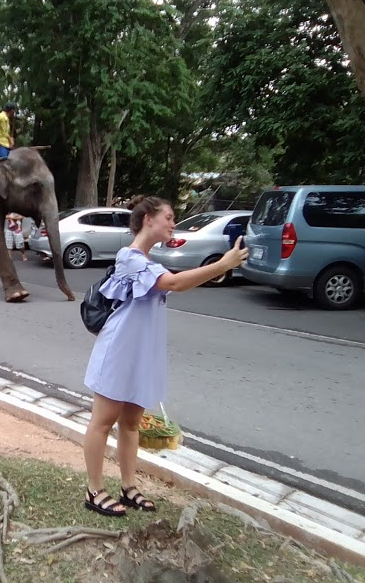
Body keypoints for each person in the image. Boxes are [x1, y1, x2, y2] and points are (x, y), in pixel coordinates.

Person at [81, 195, 248, 517]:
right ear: (148, 220)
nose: (174, 223)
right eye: (169, 217)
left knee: (131, 424)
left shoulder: (148, 262)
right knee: (102, 423)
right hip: (118, 352)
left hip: (141, 354)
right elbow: (174, 283)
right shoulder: (130, 258)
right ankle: (94, 490)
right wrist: (222, 265)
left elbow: (172, 282)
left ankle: (128, 487)